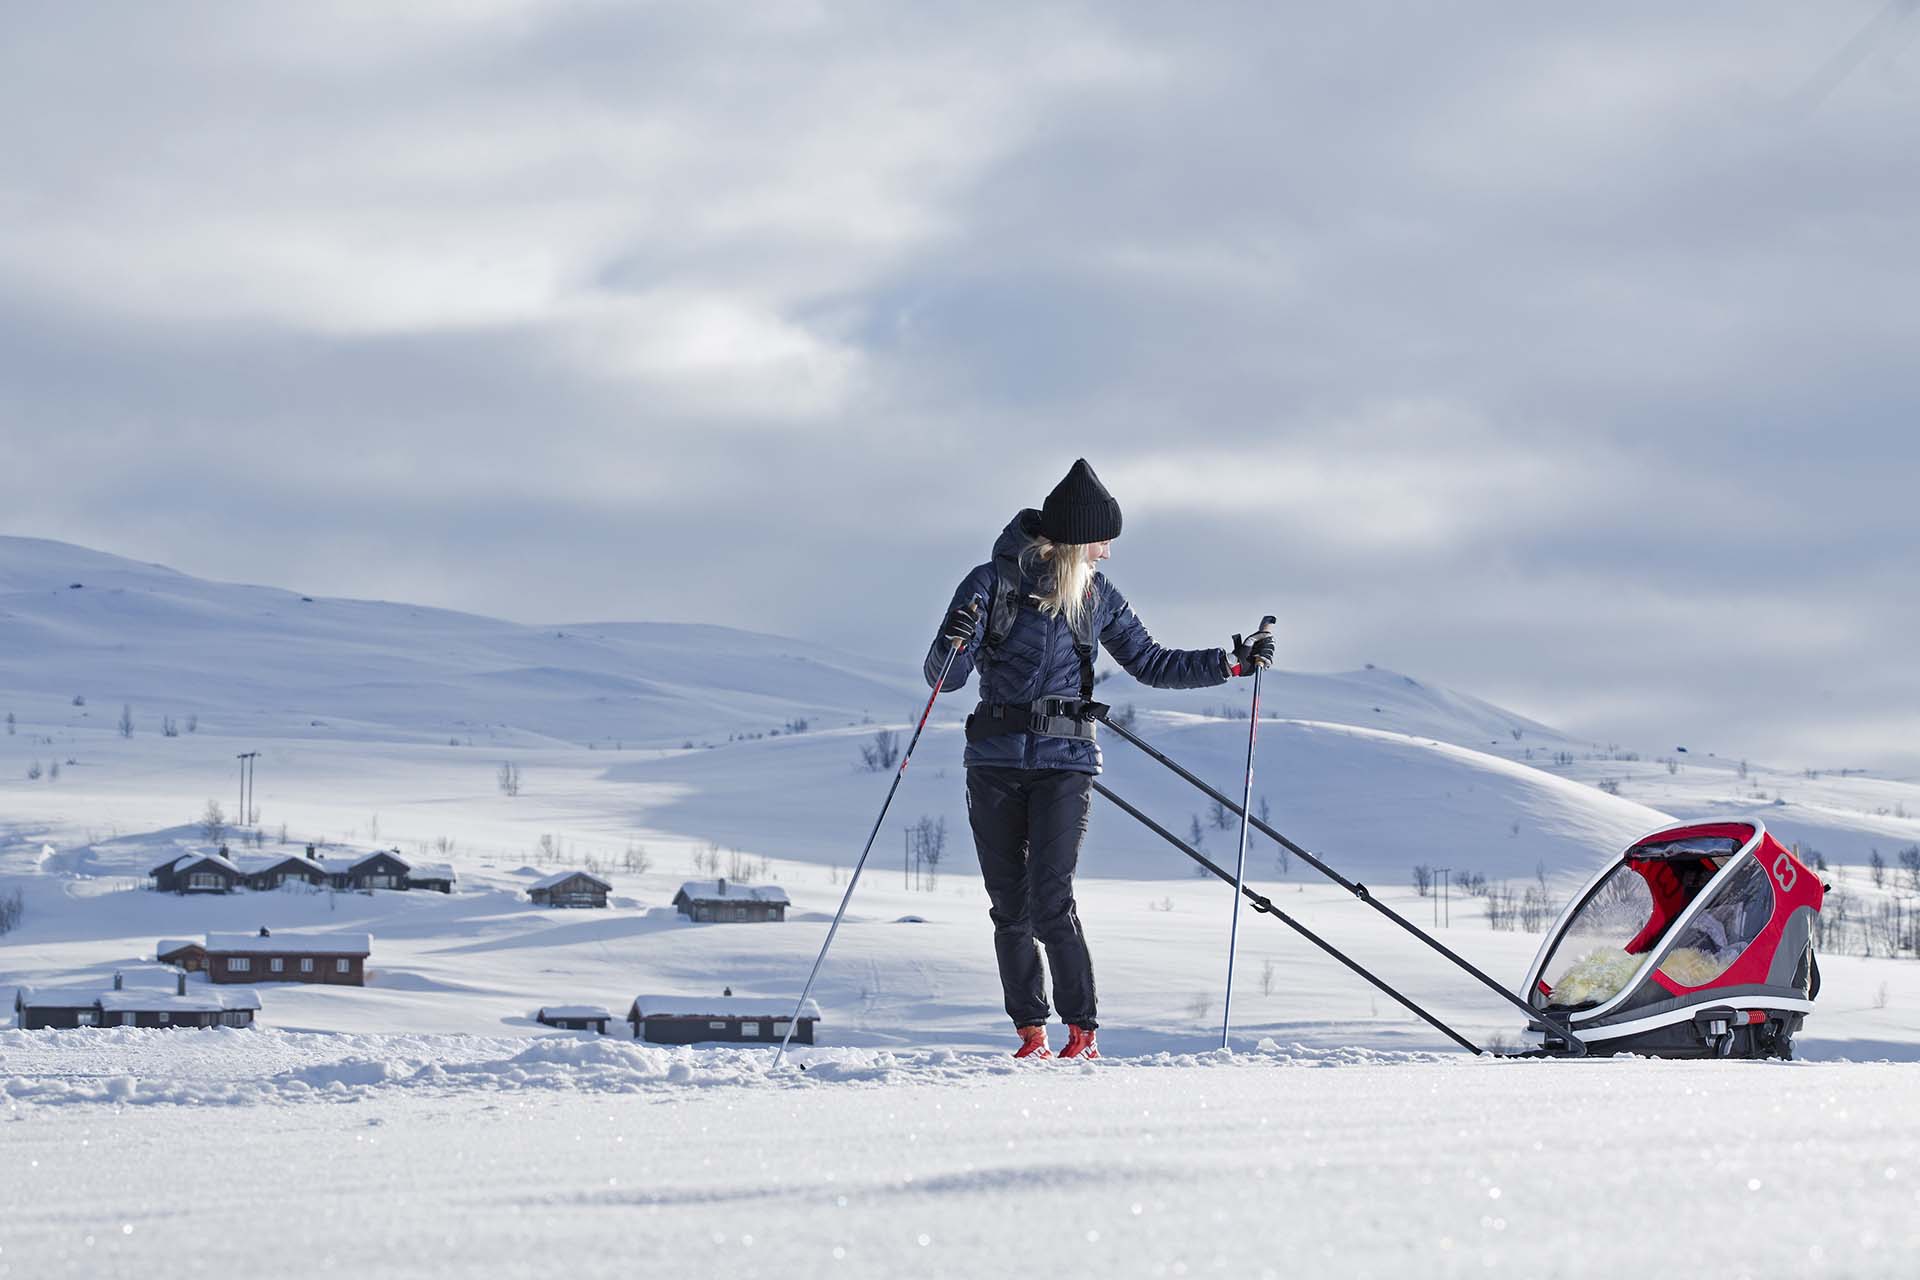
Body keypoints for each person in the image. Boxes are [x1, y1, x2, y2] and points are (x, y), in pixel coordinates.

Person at [925, 459, 1274, 1060]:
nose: (1108, 552)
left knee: (1049, 899)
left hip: (1067, 761)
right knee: (1009, 906)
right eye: (1102, 540)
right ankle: (1030, 1033)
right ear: (1075, 537)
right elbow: (946, 679)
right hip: (995, 761)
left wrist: (1231, 663)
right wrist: (950, 637)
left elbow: (1151, 662)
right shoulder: (988, 583)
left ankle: (1081, 1031)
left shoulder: (1097, 595)